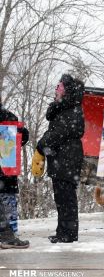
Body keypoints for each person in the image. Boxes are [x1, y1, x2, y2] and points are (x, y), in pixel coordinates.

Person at [32, 74, 85, 243]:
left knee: (66, 198)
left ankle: (68, 234)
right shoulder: (63, 108)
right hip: (61, 160)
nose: (56, 89)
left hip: (67, 160)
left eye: (59, 87)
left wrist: (41, 145)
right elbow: (56, 132)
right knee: (61, 198)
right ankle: (63, 231)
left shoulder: (72, 110)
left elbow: (59, 133)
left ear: (66, 91)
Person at [0, 104, 30, 249]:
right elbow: (24, 136)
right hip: (6, 168)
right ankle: (9, 232)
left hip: (6, 169)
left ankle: (8, 233)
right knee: (8, 200)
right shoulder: (8, 116)